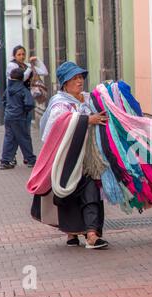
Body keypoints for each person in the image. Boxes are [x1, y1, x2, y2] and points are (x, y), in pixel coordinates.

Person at [38, 61, 109, 250]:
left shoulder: (86, 99)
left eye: (80, 77)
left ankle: (92, 234)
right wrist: (87, 120)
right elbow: (58, 124)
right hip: (67, 159)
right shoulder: (59, 104)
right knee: (69, 194)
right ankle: (72, 233)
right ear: (64, 83)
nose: (79, 81)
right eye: (74, 78)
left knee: (92, 191)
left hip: (87, 158)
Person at [7, 45, 48, 166]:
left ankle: (25, 157)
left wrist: (37, 61)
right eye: (19, 54)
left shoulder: (26, 66)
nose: (22, 56)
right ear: (14, 56)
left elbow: (44, 72)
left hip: (27, 102)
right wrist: (30, 67)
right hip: (16, 103)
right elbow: (22, 78)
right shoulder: (12, 66)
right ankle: (14, 157)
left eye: (23, 54)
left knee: (25, 131)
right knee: (16, 133)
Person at [0, 68, 37, 170]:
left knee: (9, 138)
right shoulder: (23, 90)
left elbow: (3, 100)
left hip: (8, 117)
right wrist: (24, 111)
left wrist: (8, 109)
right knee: (24, 138)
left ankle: (5, 161)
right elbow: (30, 103)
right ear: (22, 78)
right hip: (19, 117)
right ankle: (31, 160)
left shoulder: (8, 89)